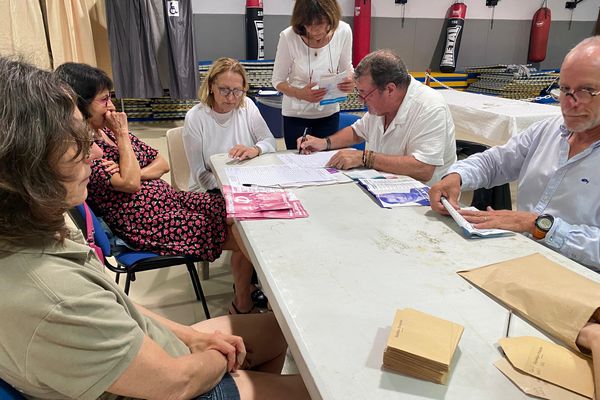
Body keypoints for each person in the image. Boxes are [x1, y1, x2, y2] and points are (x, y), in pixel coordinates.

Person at [0, 57, 309, 400]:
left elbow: (114, 299)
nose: (92, 151)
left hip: (154, 352)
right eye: (76, 140)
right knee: (316, 389)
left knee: (277, 330)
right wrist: (221, 358)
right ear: (27, 164)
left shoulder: (43, 227)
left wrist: (192, 337)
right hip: (168, 385)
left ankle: (245, 319)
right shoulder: (55, 296)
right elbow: (177, 383)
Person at [55, 62, 261, 314]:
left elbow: (159, 163)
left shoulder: (106, 133)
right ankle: (244, 303)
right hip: (147, 221)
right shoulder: (83, 147)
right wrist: (123, 140)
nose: (111, 106)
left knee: (238, 209)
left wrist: (133, 171)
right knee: (244, 236)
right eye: (104, 100)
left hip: (170, 201)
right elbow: (130, 185)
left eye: (110, 98)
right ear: (81, 104)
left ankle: (246, 295)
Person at [429, 36, 600, 270]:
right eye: (564, 90)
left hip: (578, 278)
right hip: (521, 257)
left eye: (586, 91)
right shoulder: (548, 131)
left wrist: (538, 226)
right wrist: (456, 177)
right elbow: (496, 162)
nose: (569, 103)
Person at [299, 49, 457, 186]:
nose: (361, 101)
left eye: (364, 94)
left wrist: (365, 158)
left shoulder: (430, 108)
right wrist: (323, 143)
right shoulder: (381, 106)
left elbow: (423, 168)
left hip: (424, 201)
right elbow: (357, 131)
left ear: (390, 89)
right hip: (383, 187)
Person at [183, 57, 276, 192]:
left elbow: (270, 141)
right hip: (209, 188)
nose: (231, 98)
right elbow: (201, 175)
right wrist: (234, 186)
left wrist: (256, 149)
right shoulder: (195, 117)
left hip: (246, 183)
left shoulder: (247, 105)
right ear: (211, 86)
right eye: (224, 90)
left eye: (237, 91)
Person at [272, 0, 354, 149]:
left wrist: (350, 82)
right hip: (296, 115)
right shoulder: (289, 37)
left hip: (329, 113)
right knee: (297, 163)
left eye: (320, 24)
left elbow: (347, 68)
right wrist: (300, 93)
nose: (314, 30)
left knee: (325, 164)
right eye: (308, 24)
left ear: (331, 18)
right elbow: (277, 81)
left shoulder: (344, 31)